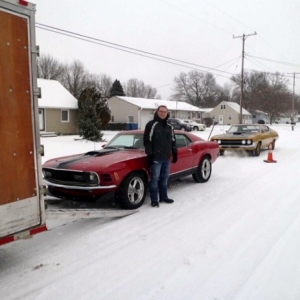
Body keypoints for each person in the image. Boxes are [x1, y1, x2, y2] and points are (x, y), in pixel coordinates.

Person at [143, 105, 178, 207]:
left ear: (167, 113)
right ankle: (154, 199)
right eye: (161, 111)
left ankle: (164, 197)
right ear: (157, 112)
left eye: (165, 112)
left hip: (166, 157)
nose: (163, 113)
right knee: (155, 179)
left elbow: (173, 141)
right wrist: (149, 152)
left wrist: (174, 152)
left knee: (165, 178)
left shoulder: (170, 127)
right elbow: (147, 140)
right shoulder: (151, 125)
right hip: (156, 157)